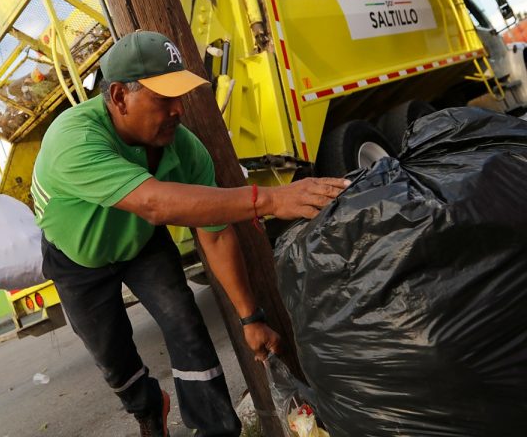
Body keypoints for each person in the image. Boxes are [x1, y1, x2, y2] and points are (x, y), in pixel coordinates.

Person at [31, 30, 348, 437]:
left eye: (181, 96)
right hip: (78, 257)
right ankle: (147, 406)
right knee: (113, 359)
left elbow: (215, 234)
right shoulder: (72, 140)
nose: (179, 110)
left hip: (141, 242)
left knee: (186, 327)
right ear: (119, 97)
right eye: (164, 99)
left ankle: (215, 429)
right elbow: (155, 203)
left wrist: (250, 317)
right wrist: (268, 200)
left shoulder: (183, 147)